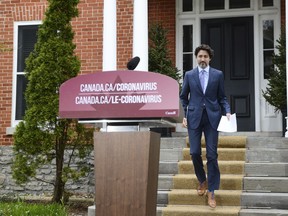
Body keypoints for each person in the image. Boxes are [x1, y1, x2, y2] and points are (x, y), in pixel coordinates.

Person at [179, 44, 231, 208]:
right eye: (200, 56)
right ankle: (202, 180)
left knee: (211, 155)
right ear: (196, 57)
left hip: (212, 118)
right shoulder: (189, 75)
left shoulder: (218, 75)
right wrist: (184, 115)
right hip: (193, 117)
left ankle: (212, 191)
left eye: (205, 56)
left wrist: (227, 111)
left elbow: (222, 97)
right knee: (194, 152)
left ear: (210, 58)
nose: (202, 59)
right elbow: (183, 98)